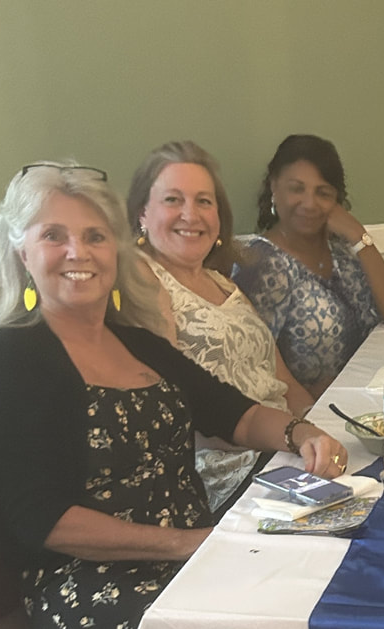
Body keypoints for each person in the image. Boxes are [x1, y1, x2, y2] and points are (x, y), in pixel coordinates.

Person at [0, 163, 347, 629]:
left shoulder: (136, 342)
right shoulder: (9, 360)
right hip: (90, 588)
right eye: (54, 235)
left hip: (192, 554)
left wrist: (300, 432)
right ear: (21, 252)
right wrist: (191, 544)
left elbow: (233, 413)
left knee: (319, 602)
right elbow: (45, 521)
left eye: (95, 236)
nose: (78, 252)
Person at [127, 140, 319, 513]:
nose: (191, 214)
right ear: (142, 214)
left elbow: (284, 383)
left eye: (204, 201)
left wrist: (321, 430)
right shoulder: (143, 277)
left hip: (282, 447)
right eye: (173, 200)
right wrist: (291, 440)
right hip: (229, 471)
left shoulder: (221, 282)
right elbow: (173, 408)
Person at [234, 134, 384, 398]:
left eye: (323, 193)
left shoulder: (343, 253)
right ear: (274, 188)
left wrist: (360, 236)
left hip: (370, 400)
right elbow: (253, 366)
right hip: (310, 413)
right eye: (297, 189)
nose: (310, 203)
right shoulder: (261, 264)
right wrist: (309, 399)